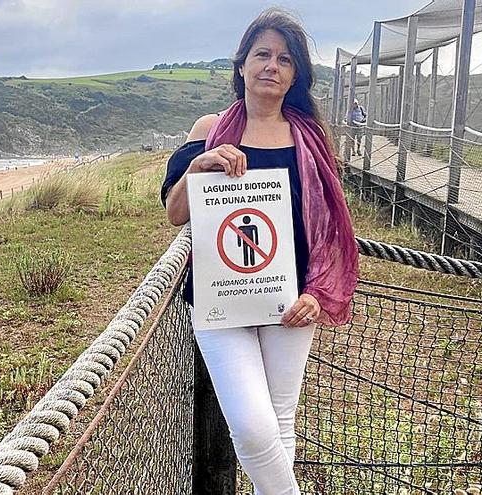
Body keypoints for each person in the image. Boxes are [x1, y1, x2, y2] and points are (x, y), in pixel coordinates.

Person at [160, 8, 358, 494]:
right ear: (242, 66)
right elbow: (175, 212)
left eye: (285, 59)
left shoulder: (310, 138)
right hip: (220, 300)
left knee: (279, 423)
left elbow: (328, 228)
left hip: (291, 301)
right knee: (251, 426)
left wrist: (317, 291)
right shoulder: (209, 128)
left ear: (296, 75)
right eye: (262, 54)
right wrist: (199, 166)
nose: (272, 65)